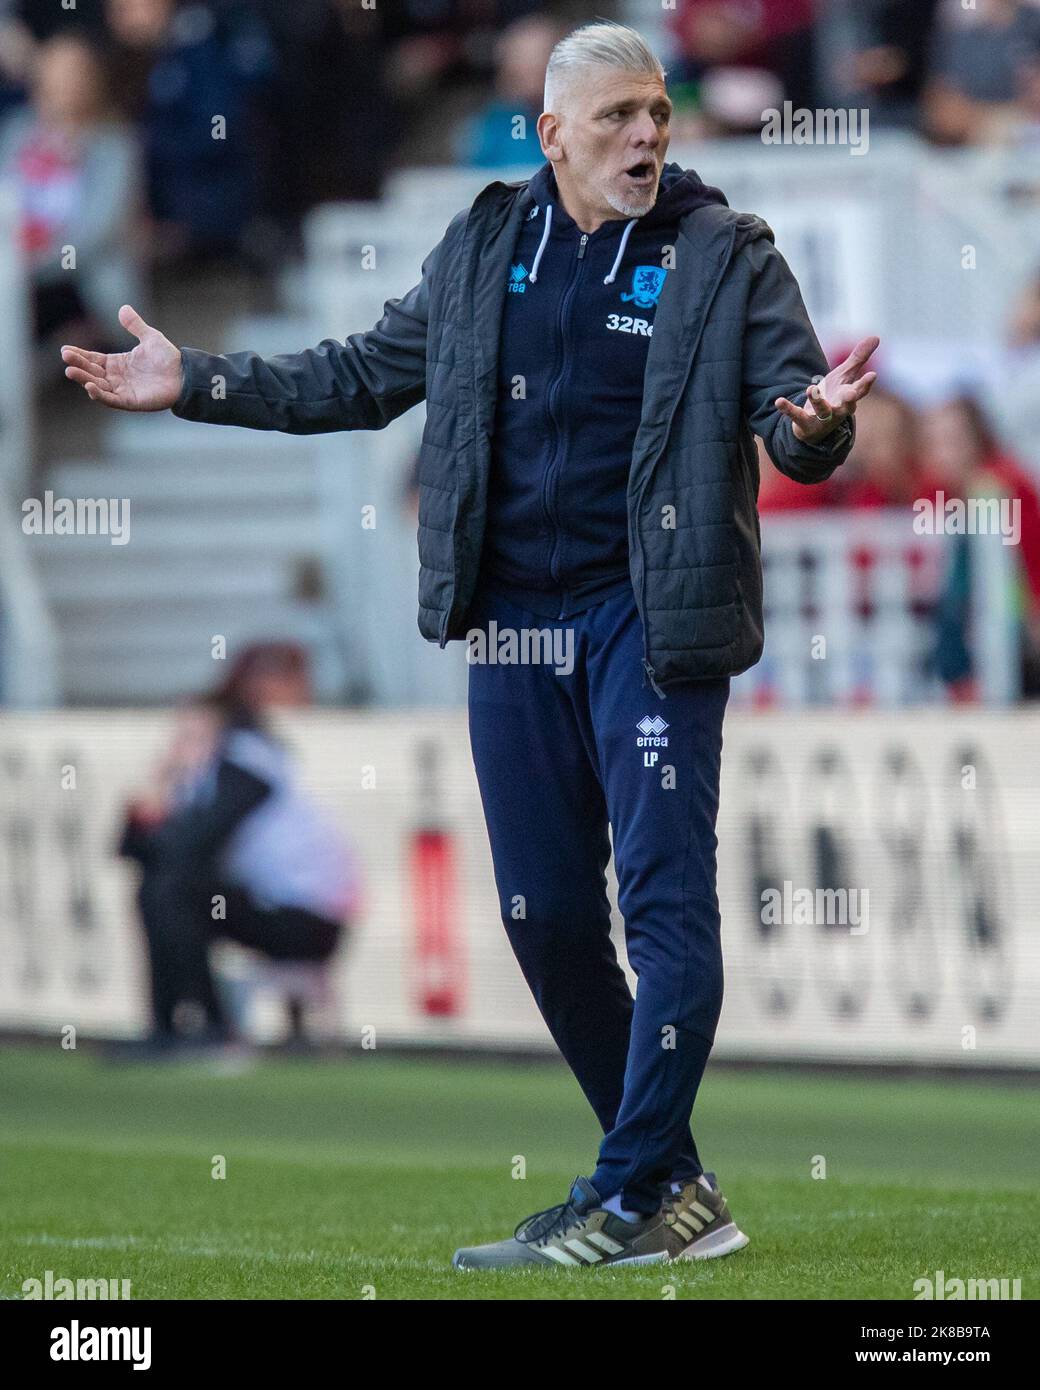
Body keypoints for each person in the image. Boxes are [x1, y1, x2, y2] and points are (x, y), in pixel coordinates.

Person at [63, 21, 878, 1269]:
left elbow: (791, 419)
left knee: (662, 906)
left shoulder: (724, 254)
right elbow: (359, 376)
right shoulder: (487, 242)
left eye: (656, 112)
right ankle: (666, 1186)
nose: (646, 136)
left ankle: (626, 1194)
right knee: (544, 916)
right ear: (550, 134)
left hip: (649, 622)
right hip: (509, 629)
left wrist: (816, 424)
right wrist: (200, 381)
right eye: (616, 117)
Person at [118, 643, 361, 1049]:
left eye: (192, 735)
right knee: (157, 888)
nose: (180, 745)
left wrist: (162, 806)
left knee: (171, 891)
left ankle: (211, 1028)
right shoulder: (206, 782)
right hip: (270, 904)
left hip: (308, 915)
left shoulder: (247, 769)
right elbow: (132, 852)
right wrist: (155, 794)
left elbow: (189, 848)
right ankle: (166, 1027)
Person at [0, 32, 142, 345]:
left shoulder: (113, 144)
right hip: (14, 270)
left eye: (73, 72)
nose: (64, 83)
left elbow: (96, 233)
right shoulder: (17, 131)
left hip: (77, 279)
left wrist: (29, 265)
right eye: (55, 72)